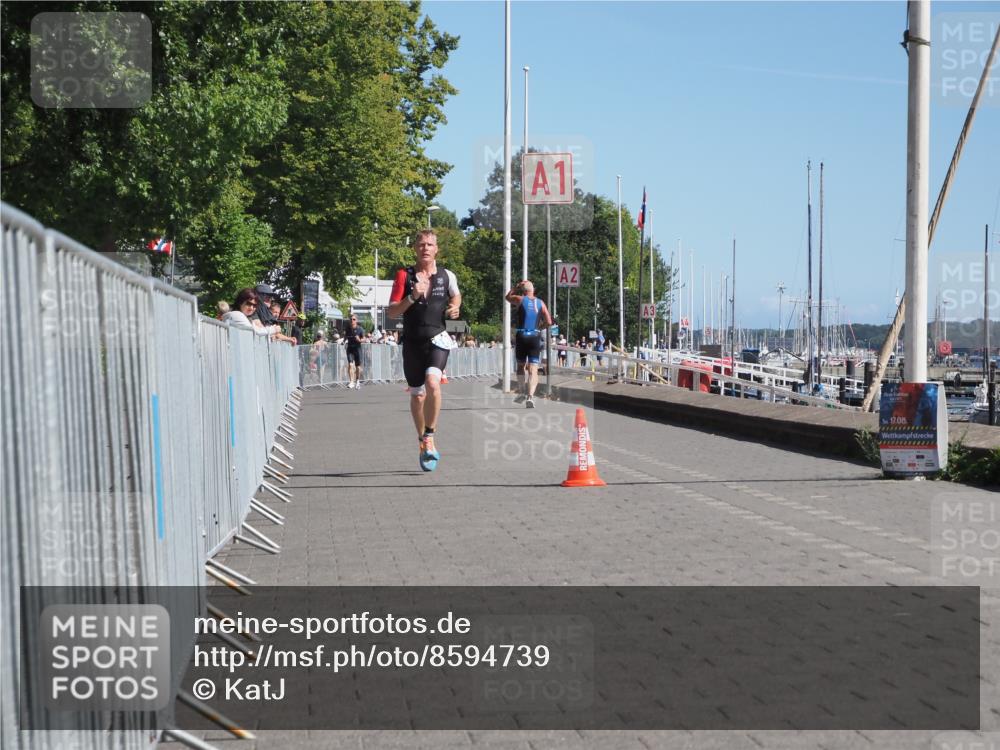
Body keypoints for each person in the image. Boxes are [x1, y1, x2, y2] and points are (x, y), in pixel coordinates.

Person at [387, 229, 461, 471]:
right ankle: (422, 440)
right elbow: (391, 312)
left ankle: (430, 434)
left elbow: (456, 297)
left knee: (433, 382)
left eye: (430, 244)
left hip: (438, 338)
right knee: (418, 395)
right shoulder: (404, 276)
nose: (425, 248)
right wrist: (411, 297)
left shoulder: (447, 276)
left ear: (437, 249)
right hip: (412, 342)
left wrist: (454, 308)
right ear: (415, 249)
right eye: (421, 245)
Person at [505, 279, 552, 408]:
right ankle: (530, 396)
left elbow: (507, 297)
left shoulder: (520, 299)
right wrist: (540, 327)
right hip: (534, 336)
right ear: (533, 290)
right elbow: (549, 321)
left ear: (523, 291)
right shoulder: (541, 303)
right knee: (533, 369)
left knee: (520, 366)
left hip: (521, 335)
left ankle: (521, 392)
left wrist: (515, 287)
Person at [344, 315, 367, 389]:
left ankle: (357, 381)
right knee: (350, 365)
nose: (352, 321)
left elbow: (364, 339)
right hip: (350, 348)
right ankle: (351, 382)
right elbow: (345, 336)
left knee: (358, 367)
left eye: (354, 319)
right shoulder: (348, 329)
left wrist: (359, 340)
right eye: (351, 319)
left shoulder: (360, 329)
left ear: (356, 320)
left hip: (357, 349)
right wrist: (343, 341)